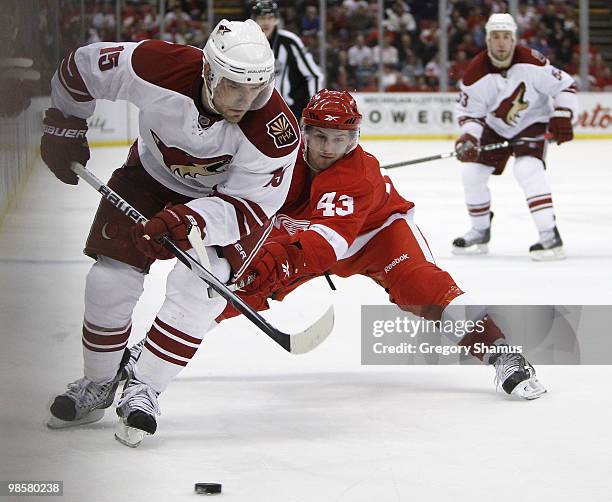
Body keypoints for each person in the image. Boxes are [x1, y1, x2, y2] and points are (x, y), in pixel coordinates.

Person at [123, 90, 547, 438]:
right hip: (306, 236)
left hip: (377, 235)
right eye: (321, 137)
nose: (329, 149)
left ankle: (502, 353)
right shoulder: (277, 157)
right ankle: (152, 351)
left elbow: (323, 246)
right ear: (303, 131)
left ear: (355, 138)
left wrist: (275, 261)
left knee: (423, 287)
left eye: (341, 139)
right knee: (236, 289)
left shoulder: (358, 176)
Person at [41, 19, 300, 445]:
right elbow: (80, 67)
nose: (247, 100)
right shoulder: (157, 65)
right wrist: (64, 123)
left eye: (257, 88)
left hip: (220, 204)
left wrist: (193, 220)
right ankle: (99, 382)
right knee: (108, 280)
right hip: (147, 177)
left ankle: (145, 389)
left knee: (201, 292)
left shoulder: (273, 133)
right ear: (210, 73)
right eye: (236, 86)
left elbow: (253, 206)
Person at [452, 13, 578, 261]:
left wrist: (563, 114)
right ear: (487, 41)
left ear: (514, 40)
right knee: (471, 173)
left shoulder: (532, 62)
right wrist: (469, 137)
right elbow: (471, 115)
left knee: (527, 169)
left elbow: (565, 85)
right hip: (495, 127)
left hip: (532, 122)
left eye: (506, 37)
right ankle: (479, 230)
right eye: (495, 37)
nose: (501, 43)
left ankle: (549, 235)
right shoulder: (473, 75)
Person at [251, 0, 324, 119]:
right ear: (254, 20)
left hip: (288, 111)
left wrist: (312, 109)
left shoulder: (289, 42)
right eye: (261, 17)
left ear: (277, 20)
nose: (266, 22)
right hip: (255, 112)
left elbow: (314, 76)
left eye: (270, 18)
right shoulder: (245, 43)